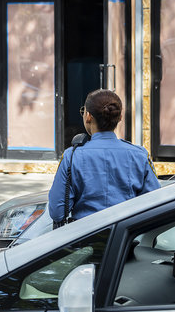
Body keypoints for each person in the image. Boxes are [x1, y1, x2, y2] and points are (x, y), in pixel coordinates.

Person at [49, 89, 160, 225]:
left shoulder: (72, 156)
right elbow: (155, 205)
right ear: (119, 118)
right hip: (125, 241)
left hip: (82, 239)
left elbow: (57, 212)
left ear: (88, 116)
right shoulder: (140, 155)